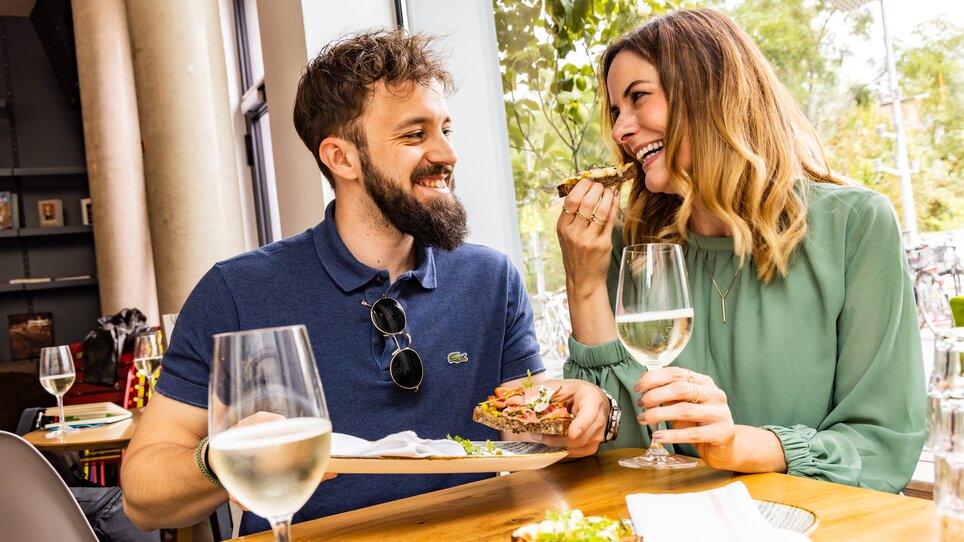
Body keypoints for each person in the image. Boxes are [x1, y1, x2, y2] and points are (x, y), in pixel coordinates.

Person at [121, 28, 614, 535]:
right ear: (341, 158)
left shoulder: (490, 278)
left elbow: (523, 427)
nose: (447, 153)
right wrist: (219, 457)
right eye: (414, 134)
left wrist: (578, 415)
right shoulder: (236, 291)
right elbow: (142, 495)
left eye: (446, 128)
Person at [558, 8, 925, 492]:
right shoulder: (632, 244)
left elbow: (883, 445)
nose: (622, 130)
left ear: (710, 92)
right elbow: (620, 449)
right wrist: (583, 283)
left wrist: (740, 445)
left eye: (639, 98)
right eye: (615, 112)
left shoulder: (854, 225)